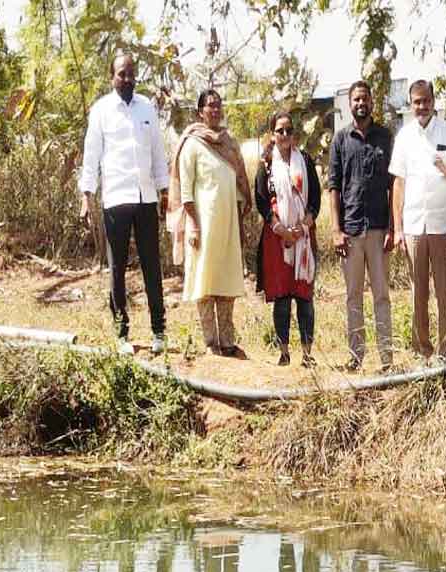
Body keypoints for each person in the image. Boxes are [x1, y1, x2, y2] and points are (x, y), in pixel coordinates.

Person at [78, 52, 169, 356]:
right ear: (111, 77)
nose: (127, 79)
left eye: (131, 74)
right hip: (116, 199)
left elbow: (157, 152)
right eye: (121, 74)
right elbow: (91, 156)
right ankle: (121, 333)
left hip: (146, 199)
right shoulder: (101, 110)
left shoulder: (147, 108)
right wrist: (86, 195)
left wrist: (164, 189)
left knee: (152, 267)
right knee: (117, 269)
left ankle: (159, 331)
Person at [168, 89, 251, 358]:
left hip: (227, 225)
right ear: (200, 112)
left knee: (226, 281)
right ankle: (210, 342)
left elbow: (238, 187)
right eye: (210, 106)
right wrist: (193, 224)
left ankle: (228, 341)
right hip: (202, 226)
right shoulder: (192, 144)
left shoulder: (229, 143)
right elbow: (187, 191)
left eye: (218, 106)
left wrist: (239, 223)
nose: (215, 110)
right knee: (204, 282)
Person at [328, 80, 395, 372]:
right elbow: (334, 188)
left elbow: (395, 186)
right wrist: (335, 230)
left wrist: (394, 227)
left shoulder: (385, 137)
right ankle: (355, 357)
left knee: (381, 295)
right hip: (351, 230)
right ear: (349, 104)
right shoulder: (340, 140)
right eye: (356, 99)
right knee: (353, 295)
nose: (360, 103)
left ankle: (387, 358)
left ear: (372, 101)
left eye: (365, 98)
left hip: (380, 229)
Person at [390, 79, 446, 360]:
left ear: (434, 101)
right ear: (411, 104)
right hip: (414, 226)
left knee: (444, 293)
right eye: (417, 102)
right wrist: (398, 229)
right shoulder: (404, 136)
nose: (422, 106)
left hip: (442, 225)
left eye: (426, 101)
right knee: (418, 293)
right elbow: (398, 184)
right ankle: (423, 352)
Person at [254, 111, 321, 368]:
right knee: (282, 298)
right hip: (277, 239)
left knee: (304, 297)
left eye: (288, 130)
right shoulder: (267, 165)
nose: (284, 135)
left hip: (303, 237)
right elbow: (261, 200)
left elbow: (315, 198)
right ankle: (283, 352)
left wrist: (303, 227)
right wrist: (280, 228)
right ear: (273, 134)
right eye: (279, 130)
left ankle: (307, 353)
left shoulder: (304, 159)